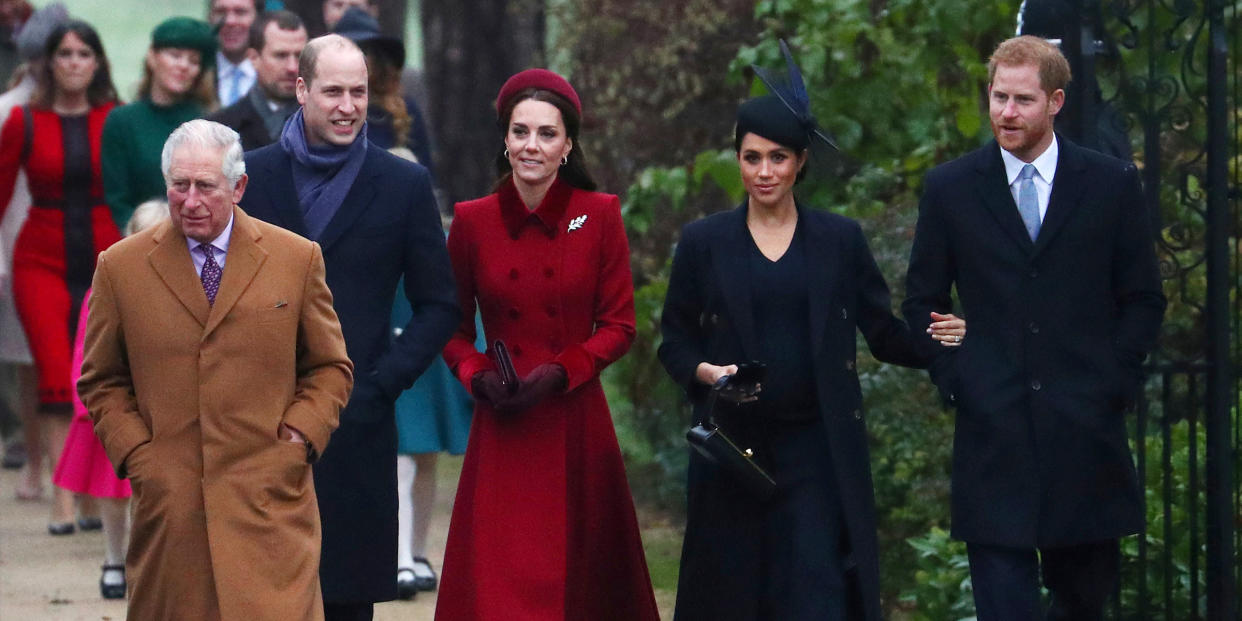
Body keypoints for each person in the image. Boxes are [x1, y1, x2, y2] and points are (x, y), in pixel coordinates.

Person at [657, 54, 967, 617]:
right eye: (752, 158)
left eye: (778, 157)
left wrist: (949, 340)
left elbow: (883, 333)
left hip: (817, 449)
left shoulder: (839, 240)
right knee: (734, 596)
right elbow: (674, 339)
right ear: (739, 162)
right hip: (734, 449)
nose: (765, 171)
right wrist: (708, 374)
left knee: (815, 592)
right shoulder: (704, 242)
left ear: (800, 162)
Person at [902, 36, 1166, 620]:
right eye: (998, 97)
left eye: (1022, 100)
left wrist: (1112, 380)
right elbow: (922, 300)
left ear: (1055, 101)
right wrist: (957, 377)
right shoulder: (951, 188)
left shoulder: (1110, 184)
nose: (1006, 113)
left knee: (1082, 607)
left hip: (1085, 440)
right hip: (992, 442)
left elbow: (1143, 298)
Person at [78, 119, 353, 620]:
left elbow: (330, 367)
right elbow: (100, 379)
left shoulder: (295, 257)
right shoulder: (121, 266)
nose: (190, 200)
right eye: (178, 185)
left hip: (268, 500)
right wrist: (140, 455)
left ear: (238, 186)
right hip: (171, 509)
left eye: (205, 185)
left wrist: (299, 437)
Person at [240, 34, 458, 621]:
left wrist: (383, 384)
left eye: (358, 92)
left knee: (345, 597)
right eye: (333, 91)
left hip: (354, 419)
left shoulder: (402, 185)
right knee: (259, 593)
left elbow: (440, 303)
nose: (347, 105)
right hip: (257, 421)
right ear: (302, 89)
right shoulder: (250, 178)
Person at [436, 68, 659, 621]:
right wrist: (476, 374)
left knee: (583, 587)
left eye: (546, 134)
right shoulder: (471, 221)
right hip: (503, 423)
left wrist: (562, 372)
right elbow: (450, 325)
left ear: (568, 146)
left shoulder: (600, 213)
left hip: (575, 417)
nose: (531, 145)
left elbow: (620, 325)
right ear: (505, 139)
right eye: (520, 132)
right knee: (502, 585)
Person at [0, 17, 120, 535]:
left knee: (96, 373)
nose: (73, 63)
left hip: (104, 257)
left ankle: (95, 492)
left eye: (83, 54)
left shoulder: (116, 118)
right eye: (64, 54)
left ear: (97, 63)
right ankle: (63, 497)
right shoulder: (23, 121)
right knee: (52, 372)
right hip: (39, 259)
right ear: (49, 63)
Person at [54, 198, 167, 599]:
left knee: (159, 498)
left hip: (164, 413)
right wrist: (89, 408)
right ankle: (113, 558)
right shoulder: (106, 288)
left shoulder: (183, 290)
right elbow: (87, 353)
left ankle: (151, 564)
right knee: (115, 497)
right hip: (115, 411)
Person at [0, 1, 67, 497]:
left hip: (74, 242)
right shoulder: (10, 112)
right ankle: (35, 459)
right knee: (27, 361)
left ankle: (64, 462)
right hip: (18, 248)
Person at [101, 17, 215, 231]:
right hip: (139, 240)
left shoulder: (209, 122)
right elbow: (117, 198)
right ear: (152, 58)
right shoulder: (122, 121)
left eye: (193, 60)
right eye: (175, 55)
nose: (183, 66)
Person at [331, 7, 433, 172]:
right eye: (347, 49)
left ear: (376, 59)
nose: (355, 58)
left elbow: (427, 178)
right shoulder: (319, 107)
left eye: (363, 50)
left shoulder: (404, 111)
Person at [208, 10, 306, 151]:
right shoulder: (219, 129)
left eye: (299, 55)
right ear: (253, 58)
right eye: (281, 55)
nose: (292, 67)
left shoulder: (321, 124)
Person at [210, 0, 258, 107]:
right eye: (221, 12)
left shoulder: (275, 75)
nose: (229, 21)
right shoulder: (198, 74)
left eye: (240, 12)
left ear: (259, 17)